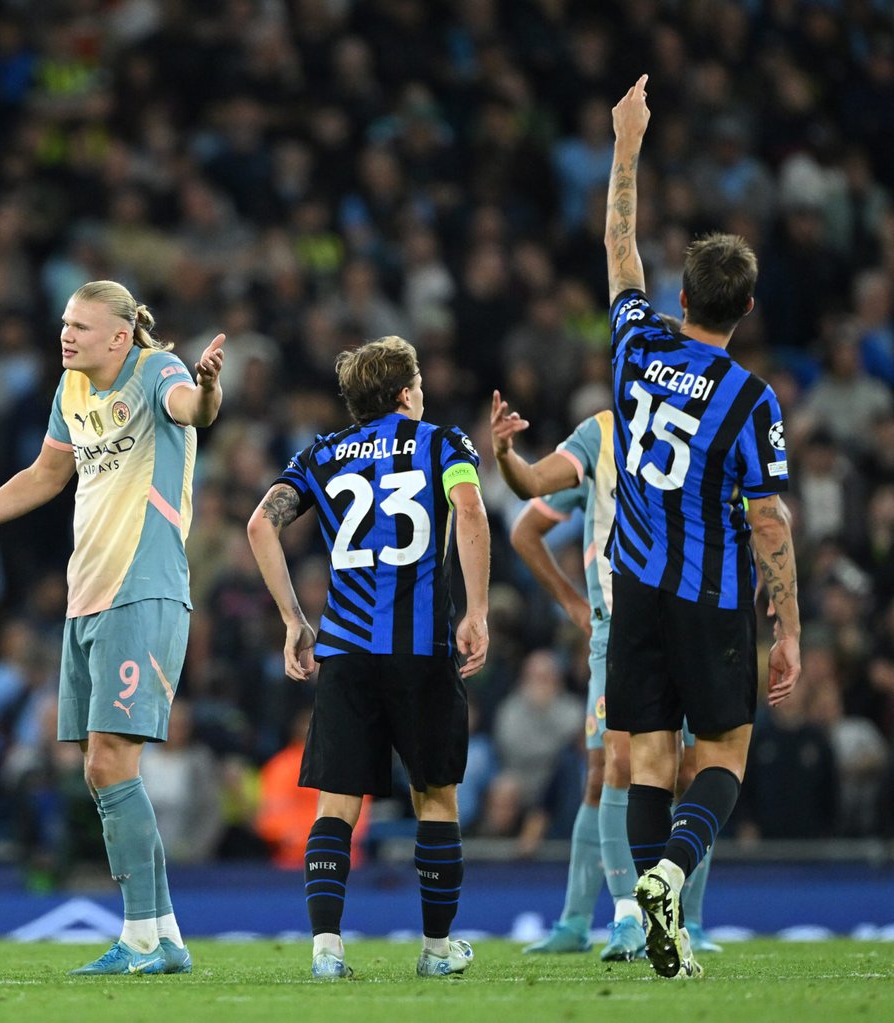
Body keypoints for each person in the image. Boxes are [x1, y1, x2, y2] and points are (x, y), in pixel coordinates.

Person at [0, 280, 225, 976]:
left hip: (142, 588)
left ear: (120, 337)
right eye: (65, 323)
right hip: (86, 597)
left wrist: (209, 390)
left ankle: (146, 937)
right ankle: (163, 933)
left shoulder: (158, 372)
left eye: (82, 327)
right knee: (104, 768)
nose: (67, 335)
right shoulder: (71, 392)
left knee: (106, 761)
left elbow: (193, 410)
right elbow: (43, 476)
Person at [596, 75, 799, 978]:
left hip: (634, 583)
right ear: (746, 311)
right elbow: (768, 518)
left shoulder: (638, 346)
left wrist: (627, 141)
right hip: (710, 593)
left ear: (682, 297)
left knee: (647, 756)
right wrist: (788, 629)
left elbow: (617, 245)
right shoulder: (750, 397)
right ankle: (672, 878)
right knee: (722, 751)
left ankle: (656, 935)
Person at [244, 336, 490, 980]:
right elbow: (469, 508)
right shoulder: (443, 443)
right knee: (435, 797)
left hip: (346, 650)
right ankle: (436, 953)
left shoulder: (320, 455)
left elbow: (258, 525)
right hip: (419, 649)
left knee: (336, 804)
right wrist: (478, 610)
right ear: (406, 391)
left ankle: (327, 952)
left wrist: (294, 621)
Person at [491, 403, 648, 960]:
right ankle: (591, 918)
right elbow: (526, 525)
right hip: (617, 631)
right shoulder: (599, 435)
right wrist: (574, 606)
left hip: (686, 627)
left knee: (682, 773)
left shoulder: (702, 426)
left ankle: (688, 922)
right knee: (607, 768)